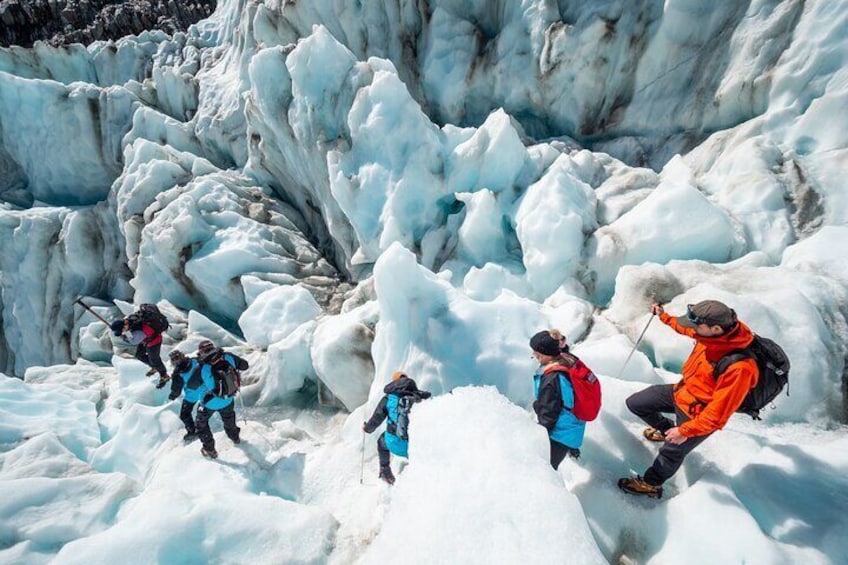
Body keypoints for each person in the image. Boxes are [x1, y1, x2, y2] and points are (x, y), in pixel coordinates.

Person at [618, 300, 759, 499]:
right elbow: (684, 328)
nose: (693, 329)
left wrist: (685, 431)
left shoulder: (739, 368)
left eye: (697, 326)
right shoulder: (711, 336)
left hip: (700, 415)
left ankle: (651, 484)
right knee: (636, 403)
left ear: (716, 328)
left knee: (672, 452)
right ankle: (666, 430)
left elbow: (718, 415)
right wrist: (663, 316)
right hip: (683, 392)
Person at [530, 329, 586, 470]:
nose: (533, 354)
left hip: (560, 433)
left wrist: (540, 434)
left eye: (536, 352)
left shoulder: (551, 379)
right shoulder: (567, 359)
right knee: (568, 442)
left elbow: (548, 415)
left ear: (546, 354)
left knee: (547, 468)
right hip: (574, 422)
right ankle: (572, 449)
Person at [363, 372, 431, 485]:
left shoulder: (388, 398)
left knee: (381, 441)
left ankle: (385, 471)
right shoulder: (418, 397)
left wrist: (366, 429)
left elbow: (376, 419)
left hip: (393, 444)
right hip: (415, 448)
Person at [194, 340, 249, 459]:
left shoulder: (202, 367)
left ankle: (209, 449)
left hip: (209, 403)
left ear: (201, 352)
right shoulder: (227, 356)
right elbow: (245, 365)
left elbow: (192, 385)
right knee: (229, 417)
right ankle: (235, 437)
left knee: (201, 423)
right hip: (228, 398)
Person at [110, 304, 169, 385]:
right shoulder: (130, 320)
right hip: (146, 340)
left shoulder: (138, 331)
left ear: (124, 325)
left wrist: (124, 337)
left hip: (154, 341)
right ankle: (154, 367)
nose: (122, 332)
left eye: (122, 330)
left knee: (155, 359)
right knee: (139, 355)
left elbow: (134, 341)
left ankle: (164, 375)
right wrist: (125, 333)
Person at [166, 349, 202, 441]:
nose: (175, 361)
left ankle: (192, 432)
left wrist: (172, 396)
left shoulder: (177, 373)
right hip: (205, 390)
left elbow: (176, 390)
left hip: (192, 395)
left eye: (175, 359)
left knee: (184, 414)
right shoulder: (195, 360)